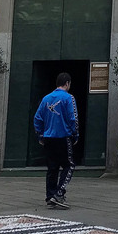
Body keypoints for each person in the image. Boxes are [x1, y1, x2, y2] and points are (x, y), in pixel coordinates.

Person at [34, 72, 79, 209]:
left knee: (52, 168)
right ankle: (59, 193)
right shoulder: (68, 98)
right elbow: (73, 119)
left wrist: (40, 135)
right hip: (63, 137)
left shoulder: (46, 98)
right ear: (67, 83)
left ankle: (50, 195)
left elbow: (37, 118)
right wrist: (75, 135)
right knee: (69, 165)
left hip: (48, 138)